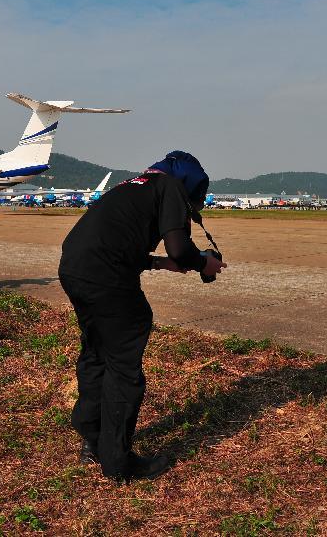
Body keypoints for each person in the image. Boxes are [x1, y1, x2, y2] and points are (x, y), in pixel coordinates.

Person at [58, 151, 226, 482]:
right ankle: (117, 462)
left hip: (74, 268)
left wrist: (159, 263)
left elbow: (119, 240)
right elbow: (180, 247)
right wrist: (202, 262)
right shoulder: (170, 187)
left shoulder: (134, 185)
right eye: (197, 201)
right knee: (124, 365)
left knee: (97, 354)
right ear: (191, 185)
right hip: (107, 275)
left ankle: (91, 439)